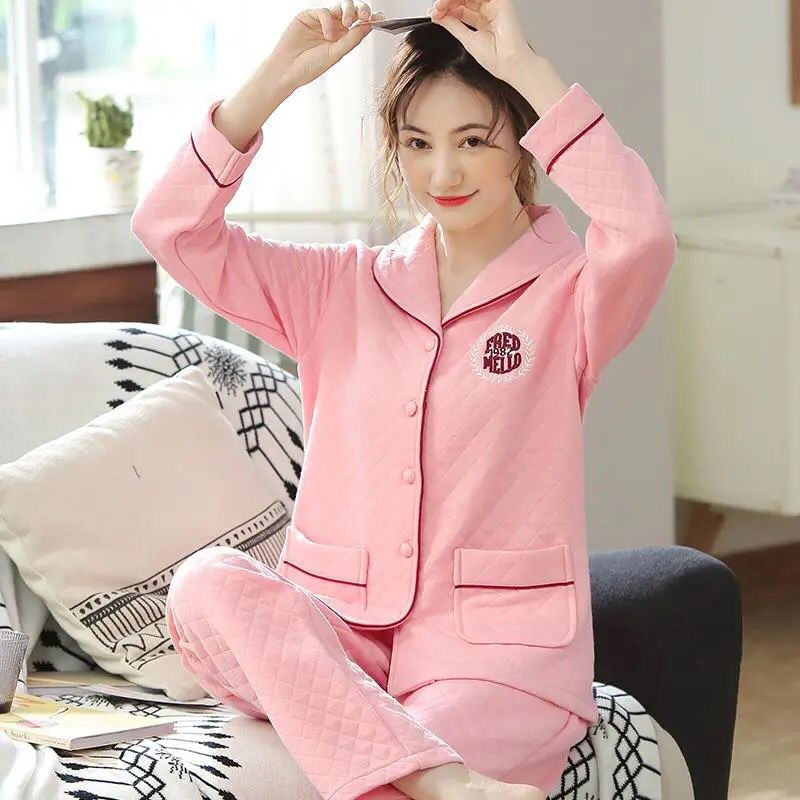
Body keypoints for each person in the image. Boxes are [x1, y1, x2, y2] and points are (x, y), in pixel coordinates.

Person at [131, 2, 679, 799]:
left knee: (381, 775)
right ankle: (445, 783)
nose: (443, 174)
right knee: (206, 581)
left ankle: (418, 769)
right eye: (418, 144)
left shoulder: (572, 294)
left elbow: (644, 233)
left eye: (472, 141)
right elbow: (170, 227)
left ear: (522, 142)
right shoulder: (339, 287)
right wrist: (276, 79)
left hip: (494, 659)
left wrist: (529, 73)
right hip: (333, 636)